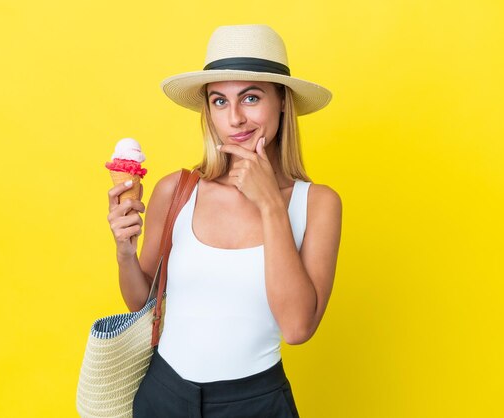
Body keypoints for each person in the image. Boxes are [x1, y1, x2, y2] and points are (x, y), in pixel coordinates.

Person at [107, 24, 342, 418]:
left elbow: (298, 329)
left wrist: (270, 206)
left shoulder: (317, 204)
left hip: (255, 404)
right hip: (162, 396)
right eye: (219, 101)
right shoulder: (177, 190)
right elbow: (140, 303)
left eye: (251, 98)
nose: (235, 118)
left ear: (282, 101)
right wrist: (125, 252)